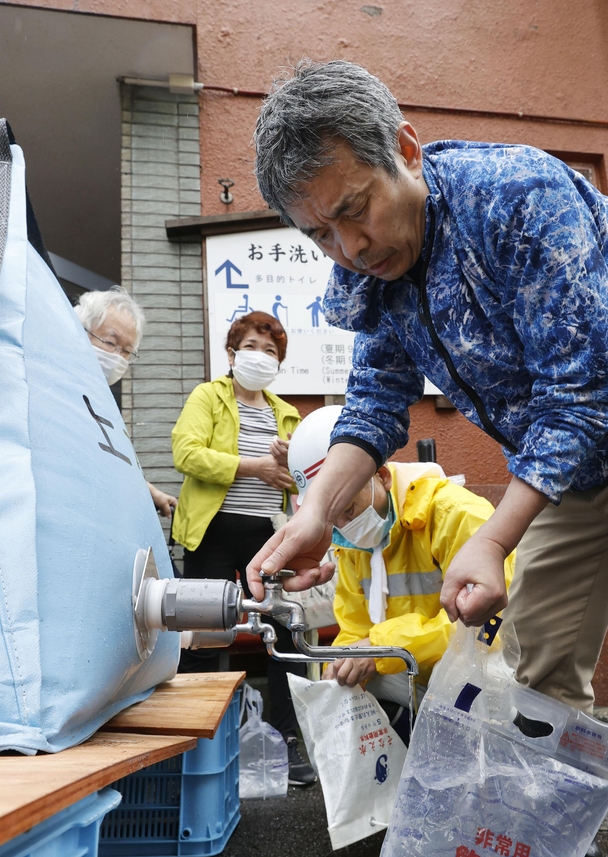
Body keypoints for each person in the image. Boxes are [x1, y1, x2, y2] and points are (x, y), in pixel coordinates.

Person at [247, 60, 608, 857]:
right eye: (320, 234)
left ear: (406, 150)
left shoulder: (518, 196)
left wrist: (493, 537)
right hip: (568, 466)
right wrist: (315, 512)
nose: (349, 247)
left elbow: (583, 387)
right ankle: (562, 839)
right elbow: (377, 402)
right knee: (541, 662)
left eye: (355, 210)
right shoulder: (369, 271)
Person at [288, 406, 516, 743]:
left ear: (381, 476)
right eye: (327, 516)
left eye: (347, 508)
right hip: (418, 679)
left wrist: (381, 650)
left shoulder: (455, 515)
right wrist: (343, 662)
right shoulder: (352, 542)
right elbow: (354, 628)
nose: (342, 526)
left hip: (486, 680)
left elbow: (489, 629)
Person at [171, 310, 316, 786]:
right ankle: (192, 741)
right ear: (232, 354)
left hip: (266, 534)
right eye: (251, 347)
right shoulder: (208, 396)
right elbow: (186, 453)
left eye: (270, 351)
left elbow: (301, 479)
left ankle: (286, 740)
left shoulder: (285, 411)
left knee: (285, 633)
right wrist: (256, 466)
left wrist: (289, 464)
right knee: (201, 635)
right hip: (211, 532)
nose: (260, 357)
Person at [75, 286, 178, 518]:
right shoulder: (54, 381)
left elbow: (110, 457)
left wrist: (148, 490)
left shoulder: (103, 399)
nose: (118, 357)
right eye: (111, 343)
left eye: (127, 351)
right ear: (80, 331)